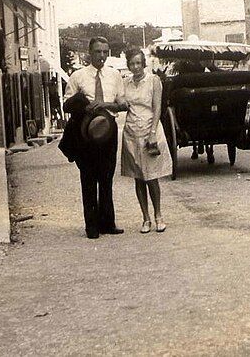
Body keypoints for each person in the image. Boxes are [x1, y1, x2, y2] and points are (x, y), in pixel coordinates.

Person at [63, 37, 127, 238]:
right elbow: (66, 104)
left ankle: (108, 222)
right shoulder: (78, 76)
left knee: (107, 177)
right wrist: (83, 104)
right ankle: (91, 225)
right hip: (86, 133)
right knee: (88, 177)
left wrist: (106, 105)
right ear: (90, 53)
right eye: (98, 52)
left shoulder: (115, 75)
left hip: (108, 131)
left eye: (105, 52)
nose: (102, 56)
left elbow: (123, 104)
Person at [120, 48, 172, 233]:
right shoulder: (125, 83)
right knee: (138, 178)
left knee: (151, 177)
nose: (135, 67)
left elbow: (157, 107)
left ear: (144, 64)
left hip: (150, 130)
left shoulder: (153, 81)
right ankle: (145, 218)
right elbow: (120, 103)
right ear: (128, 65)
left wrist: (152, 132)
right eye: (132, 64)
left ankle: (158, 216)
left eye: (138, 63)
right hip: (131, 132)